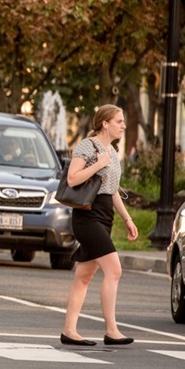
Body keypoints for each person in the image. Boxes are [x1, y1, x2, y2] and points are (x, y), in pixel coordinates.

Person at [61, 104, 139, 347]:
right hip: (87, 216)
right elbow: (72, 179)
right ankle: (111, 330)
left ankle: (69, 331)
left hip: (105, 217)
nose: (123, 125)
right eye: (119, 121)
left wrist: (127, 219)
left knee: (84, 276)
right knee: (114, 270)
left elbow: (112, 190)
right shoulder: (88, 146)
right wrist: (97, 163)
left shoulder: (112, 152)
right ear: (104, 123)